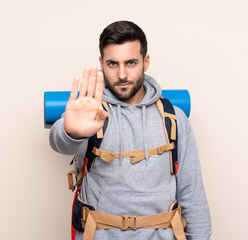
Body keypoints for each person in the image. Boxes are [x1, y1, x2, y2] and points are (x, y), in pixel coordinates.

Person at [49, 20, 211, 240]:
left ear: (146, 61)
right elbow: (61, 140)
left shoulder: (173, 118)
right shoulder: (92, 111)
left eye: (131, 63)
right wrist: (72, 132)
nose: (122, 74)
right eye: (112, 64)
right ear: (101, 63)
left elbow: (192, 194)